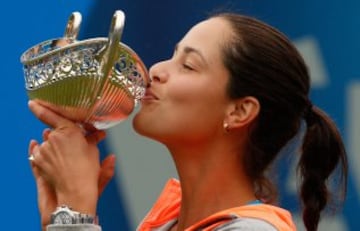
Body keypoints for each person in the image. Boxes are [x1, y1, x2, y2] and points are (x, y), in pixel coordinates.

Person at [28, 12, 348, 231]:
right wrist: (61, 218)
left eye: (189, 65)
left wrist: (76, 212)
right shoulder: (166, 223)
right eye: (173, 54)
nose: (156, 70)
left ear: (239, 112)